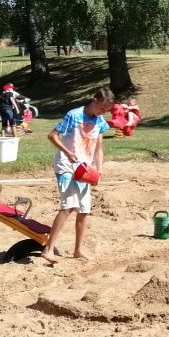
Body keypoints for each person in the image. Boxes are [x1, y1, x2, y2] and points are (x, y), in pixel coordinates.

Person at [43, 88, 113, 263]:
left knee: (84, 210)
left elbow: (98, 150)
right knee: (69, 206)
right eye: (102, 108)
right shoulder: (74, 115)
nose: (103, 112)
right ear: (94, 100)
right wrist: (67, 152)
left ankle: (78, 250)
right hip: (66, 166)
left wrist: (99, 171)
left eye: (106, 110)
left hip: (84, 170)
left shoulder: (99, 121)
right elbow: (52, 136)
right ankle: (48, 249)